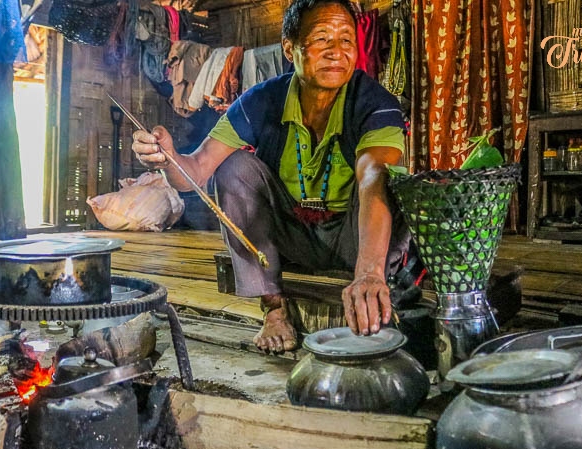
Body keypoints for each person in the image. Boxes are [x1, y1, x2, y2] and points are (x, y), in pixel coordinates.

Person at [132, 0, 410, 353]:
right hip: (290, 235)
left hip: (352, 235)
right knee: (233, 169)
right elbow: (196, 172)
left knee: (393, 182)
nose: (336, 52)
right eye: (322, 39)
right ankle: (275, 312)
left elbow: (372, 177)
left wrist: (369, 272)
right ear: (290, 47)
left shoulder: (374, 102)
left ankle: (383, 294)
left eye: (346, 40)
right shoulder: (262, 100)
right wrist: (167, 158)